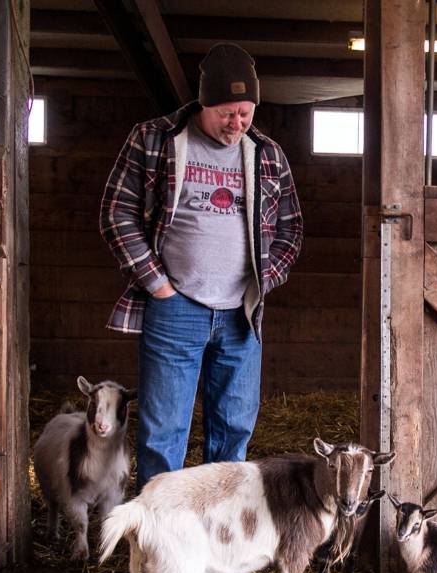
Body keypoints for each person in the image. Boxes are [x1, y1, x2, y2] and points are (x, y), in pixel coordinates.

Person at [99, 42, 303, 492]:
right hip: (176, 307)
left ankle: (219, 545)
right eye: (227, 113)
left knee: (233, 431)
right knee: (164, 433)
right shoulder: (155, 139)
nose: (237, 124)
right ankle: (157, 549)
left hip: (241, 313)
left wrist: (263, 283)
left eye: (246, 112)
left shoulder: (267, 154)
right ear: (203, 102)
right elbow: (117, 212)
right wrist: (157, 285)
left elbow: (291, 229)